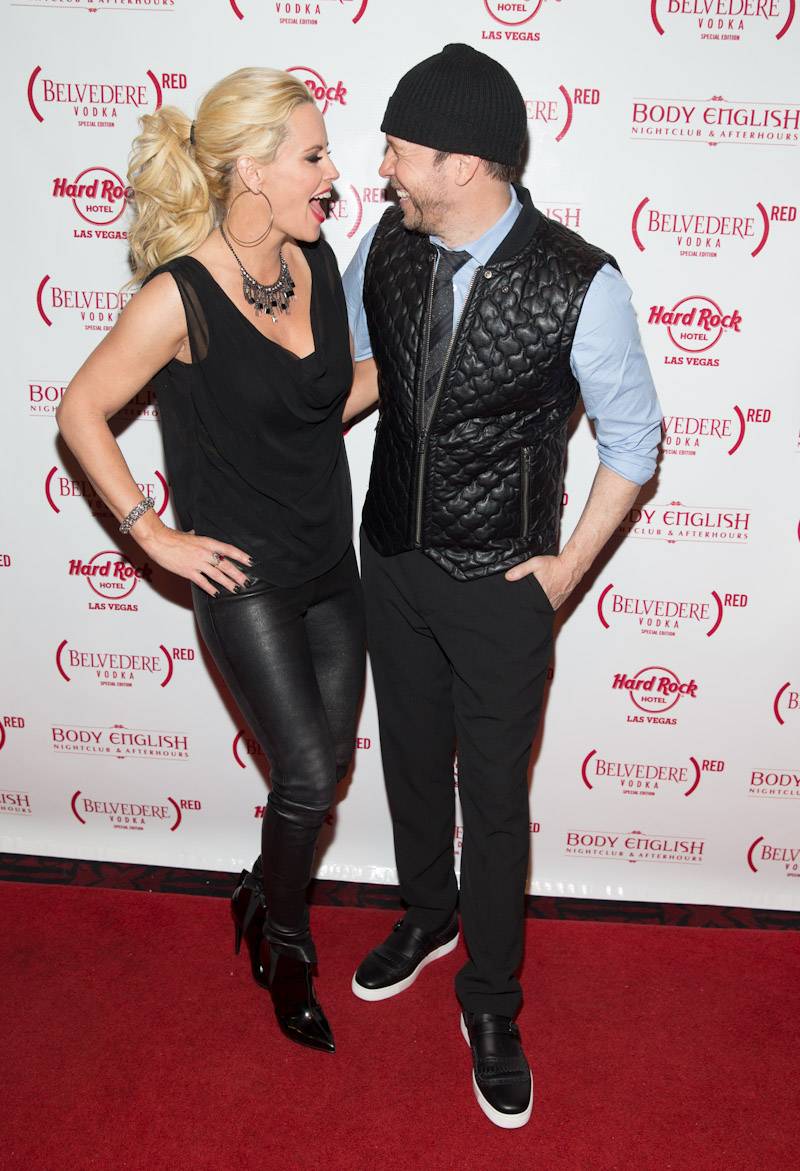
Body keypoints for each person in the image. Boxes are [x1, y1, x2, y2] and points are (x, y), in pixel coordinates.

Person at [342, 44, 661, 1126]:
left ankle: (490, 999)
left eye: (399, 148)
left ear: (463, 162)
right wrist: (276, 433)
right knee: (407, 761)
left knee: (492, 796)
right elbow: (365, 370)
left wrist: (564, 573)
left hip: (499, 583)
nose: (382, 166)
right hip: (390, 555)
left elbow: (631, 442)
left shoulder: (581, 281)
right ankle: (426, 914)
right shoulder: (387, 242)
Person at [56, 67, 366, 1054]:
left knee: (323, 771)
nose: (333, 174)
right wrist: (151, 534)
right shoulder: (178, 295)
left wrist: (419, 370)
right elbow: (80, 410)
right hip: (247, 582)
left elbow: (319, 407)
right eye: (314, 156)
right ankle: (286, 946)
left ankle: (258, 890)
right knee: (307, 774)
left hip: (333, 566)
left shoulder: (315, 265)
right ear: (252, 172)